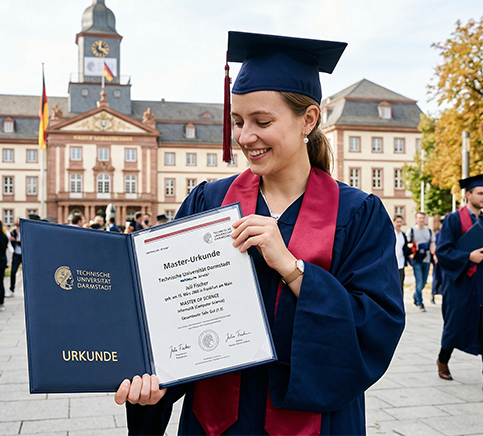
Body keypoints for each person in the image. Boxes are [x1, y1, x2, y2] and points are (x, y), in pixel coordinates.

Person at [117, 31, 405, 436]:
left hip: (315, 421)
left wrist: (293, 268)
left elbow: (376, 325)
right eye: (238, 121)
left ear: (309, 119)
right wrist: (150, 378)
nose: (244, 136)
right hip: (216, 422)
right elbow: (162, 309)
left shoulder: (357, 214)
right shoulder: (209, 203)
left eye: (262, 121)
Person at [435, 174, 483, 397]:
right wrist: (467, 256)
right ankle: (443, 359)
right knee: (455, 323)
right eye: (480, 193)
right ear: (468, 195)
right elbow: (443, 251)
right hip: (460, 283)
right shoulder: (453, 220)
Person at [409, 211, 434, 311]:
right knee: (419, 281)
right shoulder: (411, 231)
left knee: (424, 282)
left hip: (426, 259)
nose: (422, 220)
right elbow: (407, 245)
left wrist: (433, 252)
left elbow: (433, 243)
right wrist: (416, 247)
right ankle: (420, 302)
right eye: (420, 218)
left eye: (423, 218)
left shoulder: (429, 231)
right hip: (416, 260)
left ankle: (415, 295)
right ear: (416, 219)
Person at [394, 215, 411, 295]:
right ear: (394, 222)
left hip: (401, 263)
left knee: (400, 285)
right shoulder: (390, 234)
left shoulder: (403, 235)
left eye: (401, 222)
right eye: (397, 222)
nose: (399, 224)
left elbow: (405, 249)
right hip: (391, 264)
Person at [9, 224, 22, 295]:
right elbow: (11, 239)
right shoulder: (14, 232)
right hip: (16, 253)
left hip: (24, 254)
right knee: (13, 272)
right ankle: (11, 289)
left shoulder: (24, 231)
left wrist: (17, 240)